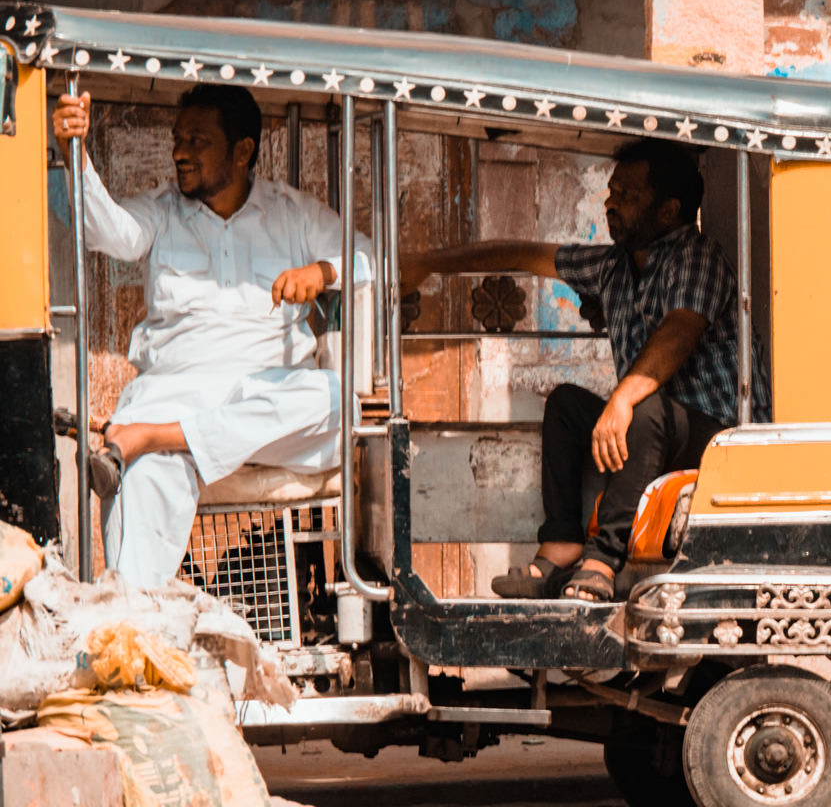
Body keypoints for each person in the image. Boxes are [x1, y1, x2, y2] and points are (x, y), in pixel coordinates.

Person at [401, 140, 770, 601]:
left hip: (719, 442)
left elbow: (677, 334)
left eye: (627, 195)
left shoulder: (697, 257)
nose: (610, 203)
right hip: (652, 433)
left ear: (668, 210)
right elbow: (520, 254)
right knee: (566, 406)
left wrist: (621, 398)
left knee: (642, 403)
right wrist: (427, 265)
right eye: (612, 192)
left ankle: (602, 560)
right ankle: (560, 546)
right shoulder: (612, 266)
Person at [52, 84, 370, 589]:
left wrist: (322, 272)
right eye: (179, 139)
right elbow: (109, 232)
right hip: (176, 392)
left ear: (242, 151)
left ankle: (159, 437)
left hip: (267, 398)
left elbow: (371, 259)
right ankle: (136, 633)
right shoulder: (161, 209)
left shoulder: (291, 213)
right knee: (139, 475)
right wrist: (77, 154)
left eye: (197, 141)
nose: (180, 152)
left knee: (337, 402)